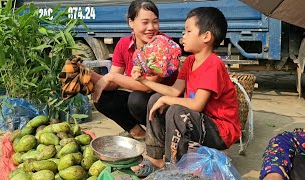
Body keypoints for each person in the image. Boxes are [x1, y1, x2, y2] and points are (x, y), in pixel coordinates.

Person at [130, 7, 241, 176]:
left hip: (220, 130)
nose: (183, 36)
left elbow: (196, 104)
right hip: (200, 120)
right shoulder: (189, 61)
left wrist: (167, 100)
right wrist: (143, 80)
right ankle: (155, 159)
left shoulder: (213, 64)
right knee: (155, 99)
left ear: (206, 36)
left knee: (177, 111)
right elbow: (174, 91)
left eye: (188, 31)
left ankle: (173, 169)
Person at [89, 0, 178, 139]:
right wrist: (89, 76)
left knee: (136, 99)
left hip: (167, 101)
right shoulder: (124, 44)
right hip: (144, 99)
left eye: (155, 22)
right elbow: (112, 84)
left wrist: (111, 77)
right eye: (145, 22)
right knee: (101, 97)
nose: (151, 27)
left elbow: (147, 86)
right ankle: (138, 132)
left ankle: (161, 135)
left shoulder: (163, 44)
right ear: (131, 22)